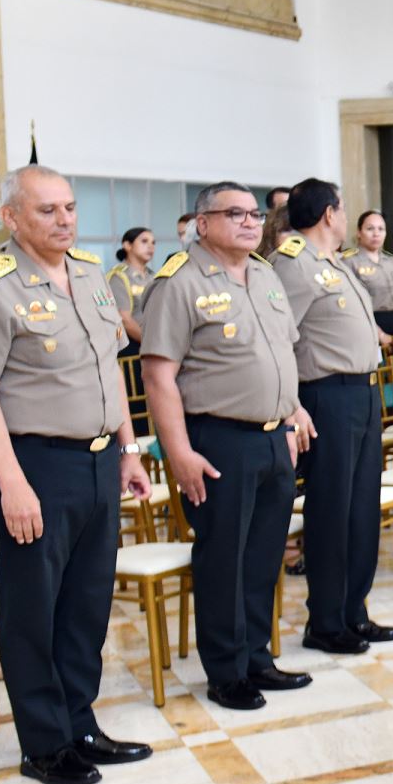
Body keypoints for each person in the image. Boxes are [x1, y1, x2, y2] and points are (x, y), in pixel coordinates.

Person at [0, 168, 152, 784]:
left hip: (97, 461)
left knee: (87, 604)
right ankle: (44, 744)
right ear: (12, 218)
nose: (64, 219)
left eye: (69, 207)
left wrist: (128, 449)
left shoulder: (91, 276)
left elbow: (110, 371)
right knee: (32, 610)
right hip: (36, 465)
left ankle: (80, 723)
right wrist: (11, 483)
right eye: (47, 210)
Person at [143, 182, 317, 711]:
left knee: (264, 555)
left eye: (254, 213)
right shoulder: (178, 282)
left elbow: (281, 351)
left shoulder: (264, 273)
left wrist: (293, 411)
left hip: (272, 438)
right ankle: (225, 670)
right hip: (217, 440)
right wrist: (179, 453)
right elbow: (158, 376)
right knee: (223, 558)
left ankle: (257, 657)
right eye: (234, 214)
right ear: (203, 223)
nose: (249, 222)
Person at [271, 179, 393, 656]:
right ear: (329, 214)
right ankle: (324, 620)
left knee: (362, 507)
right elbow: (278, 338)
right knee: (332, 511)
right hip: (325, 397)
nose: (346, 219)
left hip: (362, 396)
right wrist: (290, 406)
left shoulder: (332, 263)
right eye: (343, 211)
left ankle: (353, 611)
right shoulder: (293, 266)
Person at [344, 210, 393, 351]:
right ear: (359, 232)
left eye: (381, 229)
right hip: (367, 328)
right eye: (370, 228)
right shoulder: (349, 262)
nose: (376, 233)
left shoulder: (392, 262)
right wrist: (380, 335)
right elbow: (353, 305)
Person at [107, 226, 154, 355]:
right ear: (127, 245)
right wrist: (153, 344)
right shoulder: (119, 276)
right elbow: (125, 320)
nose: (150, 246)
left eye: (153, 243)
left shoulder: (153, 276)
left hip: (155, 346)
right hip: (133, 349)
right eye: (144, 241)